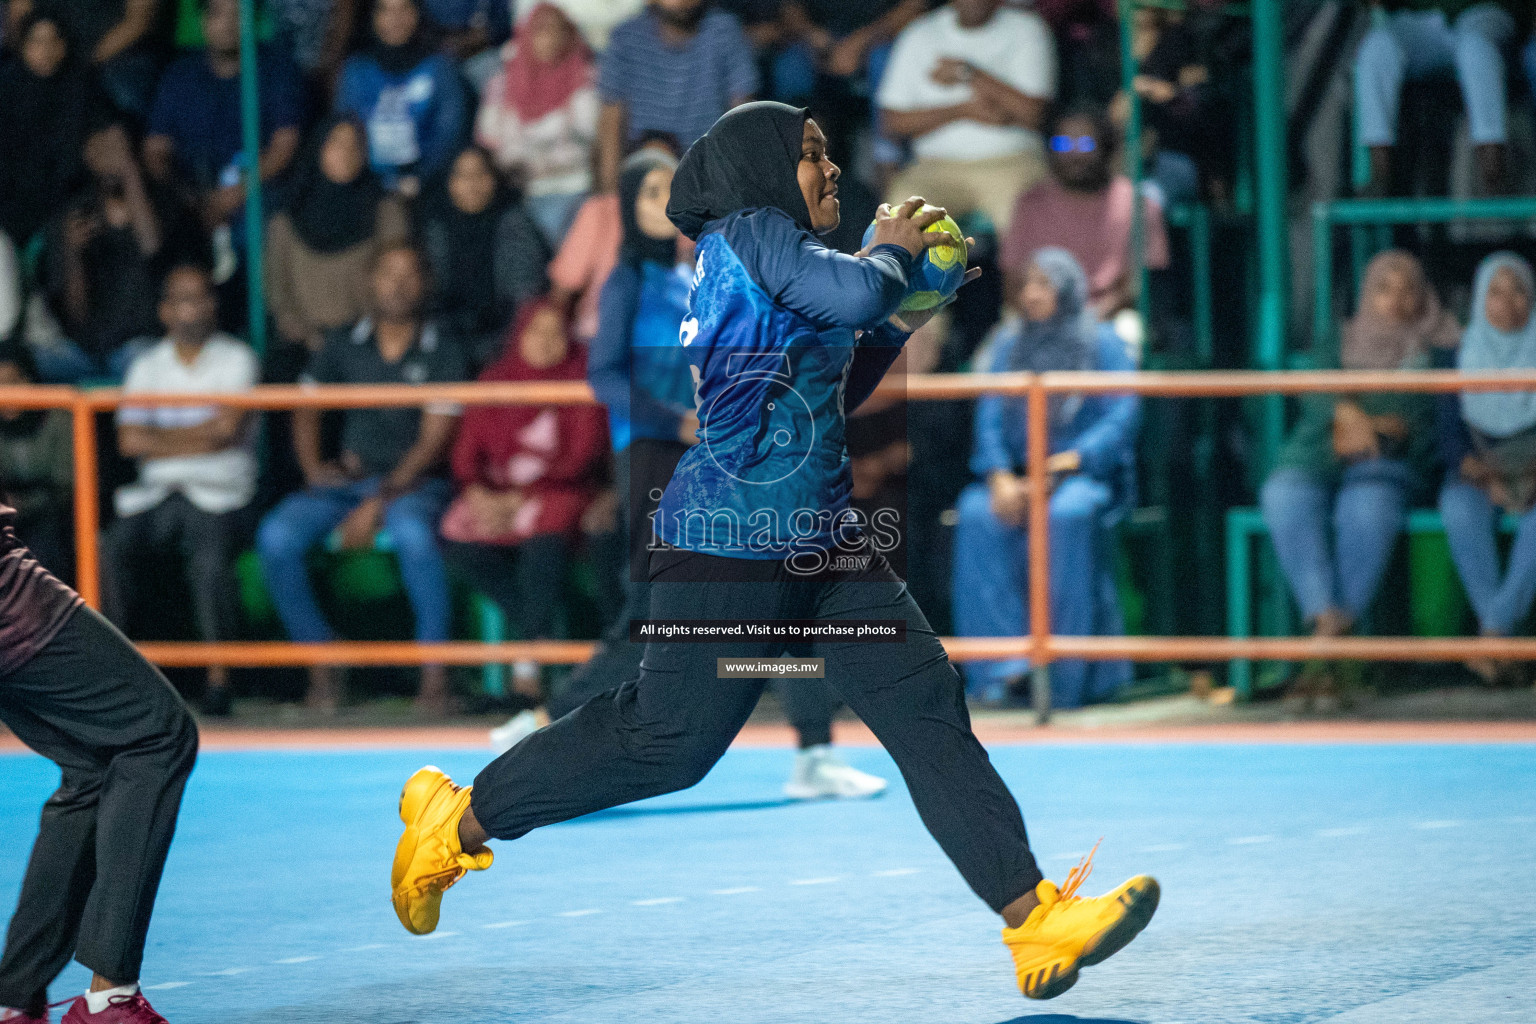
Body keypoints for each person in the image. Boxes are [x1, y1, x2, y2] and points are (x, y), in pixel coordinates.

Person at [389, 102, 1159, 1000]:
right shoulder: (752, 231)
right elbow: (862, 291)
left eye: (831, 153)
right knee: (668, 743)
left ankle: (1035, 920)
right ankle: (458, 820)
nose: (831, 171)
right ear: (761, 173)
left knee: (924, 707)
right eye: (811, 156)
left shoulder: (782, 261)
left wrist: (906, 312)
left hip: (824, 544)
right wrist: (894, 251)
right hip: (728, 542)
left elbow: (845, 372)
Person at [493, 148, 887, 799]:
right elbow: (605, 375)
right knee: (650, 615)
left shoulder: (697, 279)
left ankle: (814, 752)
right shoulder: (625, 282)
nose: (663, 201)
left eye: (667, 189)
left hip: (717, 460)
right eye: (647, 191)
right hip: (651, 456)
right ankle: (542, 727)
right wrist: (674, 421)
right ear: (627, 205)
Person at [0, 505, 196, 1024]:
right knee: (157, 735)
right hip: (9, 607)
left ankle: (14, 999)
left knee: (94, 764)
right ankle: (110, 998)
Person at [257, 244, 468, 714]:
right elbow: (305, 407)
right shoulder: (344, 341)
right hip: (349, 481)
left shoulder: (443, 346)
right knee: (277, 536)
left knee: (414, 536)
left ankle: (435, 672)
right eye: (387, 273)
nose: (397, 284)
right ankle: (323, 661)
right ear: (370, 282)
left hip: (416, 485)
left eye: (409, 274)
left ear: (426, 284)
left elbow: (433, 441)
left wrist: (378, 502)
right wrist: (313, 469)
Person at [1261, 250, 1457, 699]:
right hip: (1318, 454)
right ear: (1368, 293)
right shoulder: (1341, 338)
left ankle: (1324, 651)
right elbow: (1319, 398)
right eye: (1385, 287)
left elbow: (1416, 419)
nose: (1398, 298)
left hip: (1385, 465)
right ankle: (1328, 623)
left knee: (1368, 505)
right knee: (1283, 494)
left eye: (1409, 287)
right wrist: (1346, 410)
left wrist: (1360, 420)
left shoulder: (1435, 347)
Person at [952, 248, 1138, 709]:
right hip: (1016, 476)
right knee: (977, 514)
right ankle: (1005, 671)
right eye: (1028, 285)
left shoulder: (1102, 342)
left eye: (1044, 285)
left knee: (1067, 516)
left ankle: (1066, 678)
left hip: (1081, 474)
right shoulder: (1008, 345)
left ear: (1068, 290)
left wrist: (1065, 465)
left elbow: (1123, 417)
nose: (1032, 295)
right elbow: (990, 414)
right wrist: (998, 476)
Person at [101, 266, 258, 718]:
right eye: (180, 299)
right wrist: (201, 433)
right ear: (164, 310)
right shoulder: (147, 365)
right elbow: (128, 441)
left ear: (213, 304)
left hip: (221, 491)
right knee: (112, 549)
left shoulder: (237, 359)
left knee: (209, 562)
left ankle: (219, 679)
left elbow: (227, 432)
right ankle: (120, 683)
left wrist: (164, 441)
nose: (190, 308)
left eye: (199, 297)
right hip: (158, 492)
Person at [441, 300, 608, 698]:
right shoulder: (496, 379)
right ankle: (541, 637)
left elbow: (582, 457)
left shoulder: (582, 379)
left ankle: (527, 669)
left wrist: (520, 500)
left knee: (544, 544)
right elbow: (466, 456)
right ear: (519, 335)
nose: (546, 342)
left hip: (560, 491)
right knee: (457, 536)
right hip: (498, 496)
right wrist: (479, 494)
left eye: (555, 332)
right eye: (536, 331)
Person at [144, 0, 303, 269]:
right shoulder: (179, 75)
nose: (228, 25)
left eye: (237, 15)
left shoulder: (277, 69)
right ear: (204, 20)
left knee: (271, 214)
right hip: (190, 195)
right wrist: (189, 197)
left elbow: (285, 145)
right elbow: (155, 150)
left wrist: (238, 191)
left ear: (252, 20)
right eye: (218, 14)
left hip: (253, 192)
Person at [876, 0, 1056, 236]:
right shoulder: (921, 32)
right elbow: (892, 122)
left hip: (1012, 164)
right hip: (934, 168)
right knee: (900, 218)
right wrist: (964, 110)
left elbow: (1035, 114)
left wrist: (968, 72)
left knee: (1031, 227)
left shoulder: (1027, 28)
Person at [1439, 252, 1536, 684]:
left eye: (1519, 290)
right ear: (1479, 299)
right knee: (1458, 510)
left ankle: (1493, 635)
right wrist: (1482, 472)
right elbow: (1447, 431)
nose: (1509, 301)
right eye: (1496, 291)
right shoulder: (1456, 356)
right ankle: (1501, 640)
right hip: (1477, 477)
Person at [43, 124, 207, 380]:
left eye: (118, 150)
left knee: (140, 363)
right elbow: (75, 313)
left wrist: (128, 171)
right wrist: (73, 254)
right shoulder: (75, 214)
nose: (110, 159)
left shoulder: (164, 205)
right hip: (83, 350)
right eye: (101, 151)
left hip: (142, 344)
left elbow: (152, 247)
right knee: (33, 364)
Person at [1002, 105, 1169, 320]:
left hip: (1107, 320)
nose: (1073, 154)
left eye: (1085, 144)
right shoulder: (1030, 203)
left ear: (1106, 148)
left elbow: (1139, 286)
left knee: (1130, 329)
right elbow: (1012, 283)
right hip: (1039, 318)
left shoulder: (1138, 205)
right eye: (1062, 144)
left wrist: (1091, 322)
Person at [265, 116, 412, 358]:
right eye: (336, 143)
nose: (347, 153)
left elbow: (396, 279)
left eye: (355, 145)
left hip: (370, 347)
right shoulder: (289, 215)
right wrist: (309, 337)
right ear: (319, 148)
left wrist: (360, 338)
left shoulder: (385, 210)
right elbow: (278, 290)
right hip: (301, 348)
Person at [1354, 0, 1521, 195]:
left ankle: (1494, 174)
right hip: (1419, 20)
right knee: (1377, 46)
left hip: (1481, 13)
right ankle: (1380, 176)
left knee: (1475, 48)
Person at [594, 0, 758, 193]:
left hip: (708, 172)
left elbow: (743, 115)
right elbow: (610, 125)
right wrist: (610, 196)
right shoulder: (625, 38)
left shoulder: (724, 30)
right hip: (643, 175)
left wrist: (737, 186)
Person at [474, 2, 598, 247]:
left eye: (557, 30)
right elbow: (490, 140)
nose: (549, 38)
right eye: (540, 30)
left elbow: (593, 134)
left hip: (578, 193)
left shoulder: (587, 78)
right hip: (519, 197)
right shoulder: (502, 83)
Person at [546, 134, 688, 343]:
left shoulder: (689, 220)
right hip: (597, 338)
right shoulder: (599, 210)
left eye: (662, 165)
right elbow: (563, 288)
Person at [417, 145, 548, 366]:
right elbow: (428, 296)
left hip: (504, 340)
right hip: (444, 341)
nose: (472, 184)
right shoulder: (435, 226)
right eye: (461, 175)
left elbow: (524, 296)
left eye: (481, 174)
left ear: (494, 179)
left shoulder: (514, 222)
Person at [336, 0, 468, 195]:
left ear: (418, 13)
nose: (395, 20)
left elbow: (450, 135)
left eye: (404, 8)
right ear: (372, 16)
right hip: (363, 186)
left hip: (428, 185)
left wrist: (420, 177)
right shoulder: (356, 69)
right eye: (385, 10)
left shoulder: (439, 67)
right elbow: (344, 132)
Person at [0, 13, 105, 247]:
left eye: (53, 41)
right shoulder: (7, 89)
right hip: (13, 202)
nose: (45, 50)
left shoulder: (81, 87)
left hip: (67, 199)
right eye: (36, 41)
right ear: (23, 46)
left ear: (64, 45)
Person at [0, 343, 73, 582]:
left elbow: (65, 486)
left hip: (50, 516)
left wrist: (23, 505)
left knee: (48, 537)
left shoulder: (59, 418)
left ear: (31, 380)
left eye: (14, 382)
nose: (7, 393)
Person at [33, 0, 163, 119]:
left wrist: (83, 63)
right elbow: (20, 12)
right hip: (50, 52)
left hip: (118, 60)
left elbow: (139, 21)